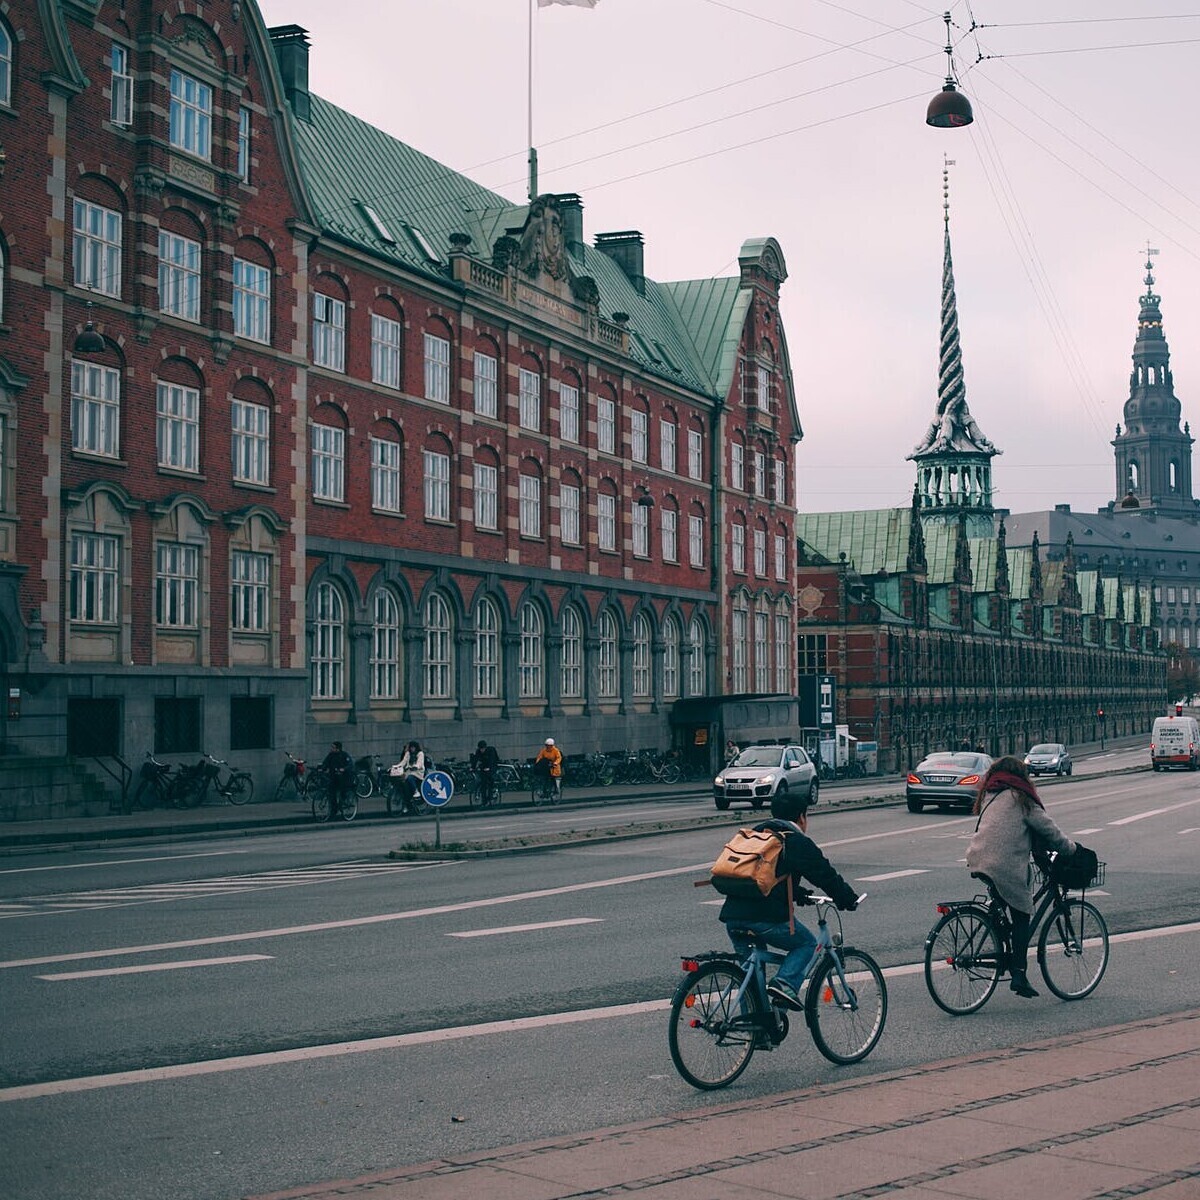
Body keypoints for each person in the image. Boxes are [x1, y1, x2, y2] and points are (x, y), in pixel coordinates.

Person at [718, 789, 859, 1010]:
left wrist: (797, 892)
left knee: (750, 975)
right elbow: (825, 875)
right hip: (765, 919)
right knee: (806, 944)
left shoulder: (756, 834)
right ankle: (784, 984)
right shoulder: (795, 841)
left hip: (733, 916)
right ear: (802, 817)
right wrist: (847, 899)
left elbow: (768, 876)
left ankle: (753, 1030)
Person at [966, 755, 1076, 999]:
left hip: (978, 858)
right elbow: (1048, 829)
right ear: (1020, 776)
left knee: (1005, 907)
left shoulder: (990, 793)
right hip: (1003, 864)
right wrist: (1071, 849)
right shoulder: (1021, 796)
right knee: (1022, 914)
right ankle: (1018, 972)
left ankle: (1002, 946)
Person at [321, 740, 354, 818]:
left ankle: (343, 802)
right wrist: (322, 768)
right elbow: (325, 763)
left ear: (338, 749)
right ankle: (334, 809)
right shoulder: (330, 755)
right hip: (333, 776)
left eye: (333, 747)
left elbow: (350, 764)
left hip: (344, 777)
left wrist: (344, 769)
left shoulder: (344, 755)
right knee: (331, 792)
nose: (331, 749)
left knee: (343, 790)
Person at [395, 740, 428, 812]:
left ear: (416, 748)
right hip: (409, 772)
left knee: (410, 778)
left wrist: (415, 766)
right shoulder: (408, 754)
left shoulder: (420, 754)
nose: (412, 749)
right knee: (403, 784)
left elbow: (420, 763)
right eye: (411, 748)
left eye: (413, 748)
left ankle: (416, 792)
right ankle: (407, 803)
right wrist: (396, 766)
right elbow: (403, 762)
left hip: (417, 773)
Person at [470, 738, 500, 804]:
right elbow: (475, 759)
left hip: (492, 766)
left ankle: (491, 793)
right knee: (483, 783)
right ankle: (484, 801)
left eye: (483, 749)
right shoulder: (478, 751)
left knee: (490, 778)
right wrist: (472, 767)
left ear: (485, 748)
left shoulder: (491, 750)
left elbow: (492, 760)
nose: (482, 750)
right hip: (484, 767)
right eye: (480, 749)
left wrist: (489, 768)